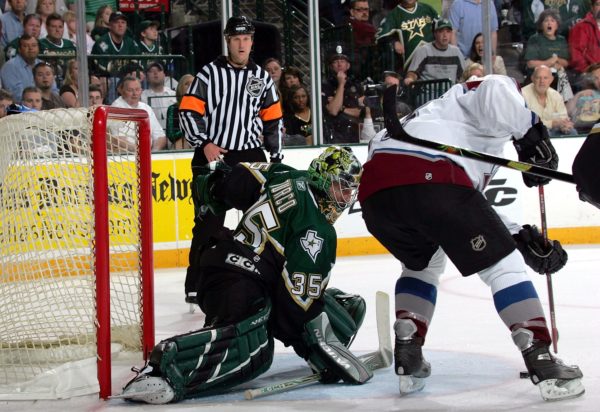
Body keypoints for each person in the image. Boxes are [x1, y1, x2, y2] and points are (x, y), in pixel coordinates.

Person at [359, 75, 584, 402]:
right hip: (432, 178)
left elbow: (460, 207)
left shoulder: (433, 118)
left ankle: (409, 350)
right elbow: (493, 87)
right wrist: (531, 134)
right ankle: (542, 360)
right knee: (502, 267)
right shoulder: (480, 92)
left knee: (423, 264)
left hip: (378, 198)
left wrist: (519, 237)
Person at [119, 146, 371, 404]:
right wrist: (314, 352)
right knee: (255, 348)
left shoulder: (285, 174)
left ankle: (221, 329)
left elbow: (236, 179)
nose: (346, 196)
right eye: (342, 187)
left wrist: (212, 189)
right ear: (323, 179)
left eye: (350, 189)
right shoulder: (317, 231)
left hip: (219, 260)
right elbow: (295, 308)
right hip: (237, 283)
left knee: (345, 310)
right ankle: (166, 370)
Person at [178, 16, 284, 304]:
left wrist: (274, 159)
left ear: (252, 42)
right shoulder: (208, 74)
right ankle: (197, 283)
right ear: (228, 40)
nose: (241, 44)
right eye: (236, 39)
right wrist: (204, 143)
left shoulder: (261, 77)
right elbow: (188, 112)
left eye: (246, 38)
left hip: (249, 156)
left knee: (265, 220)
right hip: (213, 153)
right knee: (208, 223)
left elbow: (273, 120)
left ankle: (263, 276)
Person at [523, 9, 573, 102]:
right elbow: (530, 63)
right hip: (538, 76)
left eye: (552, 21)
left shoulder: (561, 40)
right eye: (546, 21)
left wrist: (556, 60)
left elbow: (566, 63)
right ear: (541, 25)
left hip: (557, 76)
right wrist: (548, 62)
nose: (549, 23)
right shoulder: (535, 39)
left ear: (557, 25)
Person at [376, 0, 438, 71]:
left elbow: (442, 27)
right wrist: (394, 42)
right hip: (409, 67)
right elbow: (379, 36)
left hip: (433, 61)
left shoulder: (427, 9)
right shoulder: (394, 14)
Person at [110, 76, 167, 151]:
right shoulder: (115, 108)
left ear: (141, 91)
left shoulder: (146, 108)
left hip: (147, 154)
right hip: (125, 155)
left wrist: (153, 153)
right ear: (121, 91)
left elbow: (160, 137)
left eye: (137, 90)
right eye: (130, 90)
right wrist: (141, 154)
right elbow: (118, 140)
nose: (134, 93)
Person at [403, 18, 465, 86]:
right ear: (435, 33)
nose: (445, 35)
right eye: (441, 31)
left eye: (448, 31)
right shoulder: (424, 50)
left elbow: (463, 76)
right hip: (428, 95)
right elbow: (413, 73)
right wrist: (410, 79)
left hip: (450, 94)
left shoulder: (456, 52)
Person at [322, 47, 365, 143]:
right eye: (336, 61)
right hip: (334, 134)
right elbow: (333, 111)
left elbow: (360, 112)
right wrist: (341, 84)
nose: (339, 64)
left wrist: (341, 108)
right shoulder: (325, 86)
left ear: (348, 65)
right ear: (331, 66)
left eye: (342, 61)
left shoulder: (356, 86)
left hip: (355, 133)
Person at [522, 65, 577, 136]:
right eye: (538, 78)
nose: (542, 81)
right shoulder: (523, 94)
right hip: (531, 133)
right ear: (532, 79)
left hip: (554, 130)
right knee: (545, 133)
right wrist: (551, 124)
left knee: (572, 131)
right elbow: (525, 122)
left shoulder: (555, 95)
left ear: (551, 80)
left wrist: (565, 125)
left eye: (545, 78)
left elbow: (563, 117)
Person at [0, 35, 43, 104]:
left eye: (34, 45)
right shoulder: (10, 66)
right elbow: (16, 97)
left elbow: (53, 90)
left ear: (38, 48)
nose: (30, 48)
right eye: (26, 46)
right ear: (19, 50)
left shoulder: (42, 64)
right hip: (21, 110)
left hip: (44, 105)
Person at [568, 1, 600, 79]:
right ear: (592, 7)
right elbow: (576, 56)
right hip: (589, 74)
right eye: (598, 4)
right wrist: (590, 70)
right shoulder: (581, 27)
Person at [141, 61, 176, 129]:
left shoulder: (173, 95)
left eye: (159, 70)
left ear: (164, 75)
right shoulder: (142, 97)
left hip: (173, 136)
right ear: (147, 77)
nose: (155, 73)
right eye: (151, 71)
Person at [566, 63, 600, 133]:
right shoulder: (588, 95)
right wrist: (578, 95)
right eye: (596, 78)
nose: (599, 81)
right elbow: (569, 113)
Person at [165, 74, 194, 149]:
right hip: (182, 143)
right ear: (180, 88)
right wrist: (189, 129)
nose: (190, 86)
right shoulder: (173, 108)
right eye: (187, 84)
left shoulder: (206, 107)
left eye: (193, 83)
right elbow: (171, 135)